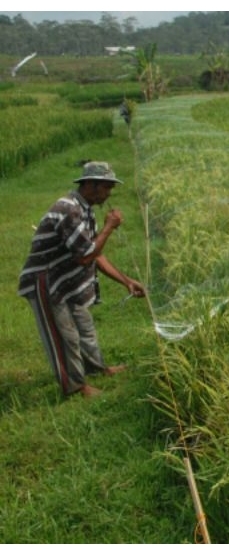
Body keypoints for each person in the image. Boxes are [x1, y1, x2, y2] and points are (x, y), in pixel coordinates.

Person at [18, 161, 147, 398]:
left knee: (84, 328)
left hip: (65, 280)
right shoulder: (69, 210)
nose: (109, 193)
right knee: (64, 335)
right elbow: (85, 257)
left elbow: (94, 252)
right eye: (106, 187)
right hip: (45, 281)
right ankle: (75, 387)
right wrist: (108, 228)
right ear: (90, 185)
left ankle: (97, 369)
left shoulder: (84, 208)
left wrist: (126, 281)